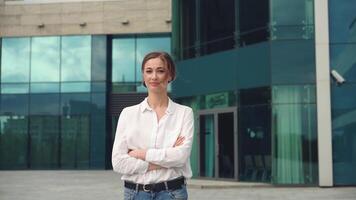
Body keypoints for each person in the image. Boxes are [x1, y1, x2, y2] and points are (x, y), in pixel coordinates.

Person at [112, 51, 194, 200]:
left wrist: (140, 154)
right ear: (143, 76)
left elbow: (181, 157)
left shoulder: (184, 113)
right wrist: (162, 162)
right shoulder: (128, 114)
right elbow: (118, 162)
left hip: (172, 193)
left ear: (170, 75)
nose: (154, 76)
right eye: (149, 71)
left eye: (160, 71)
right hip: (135, 194)